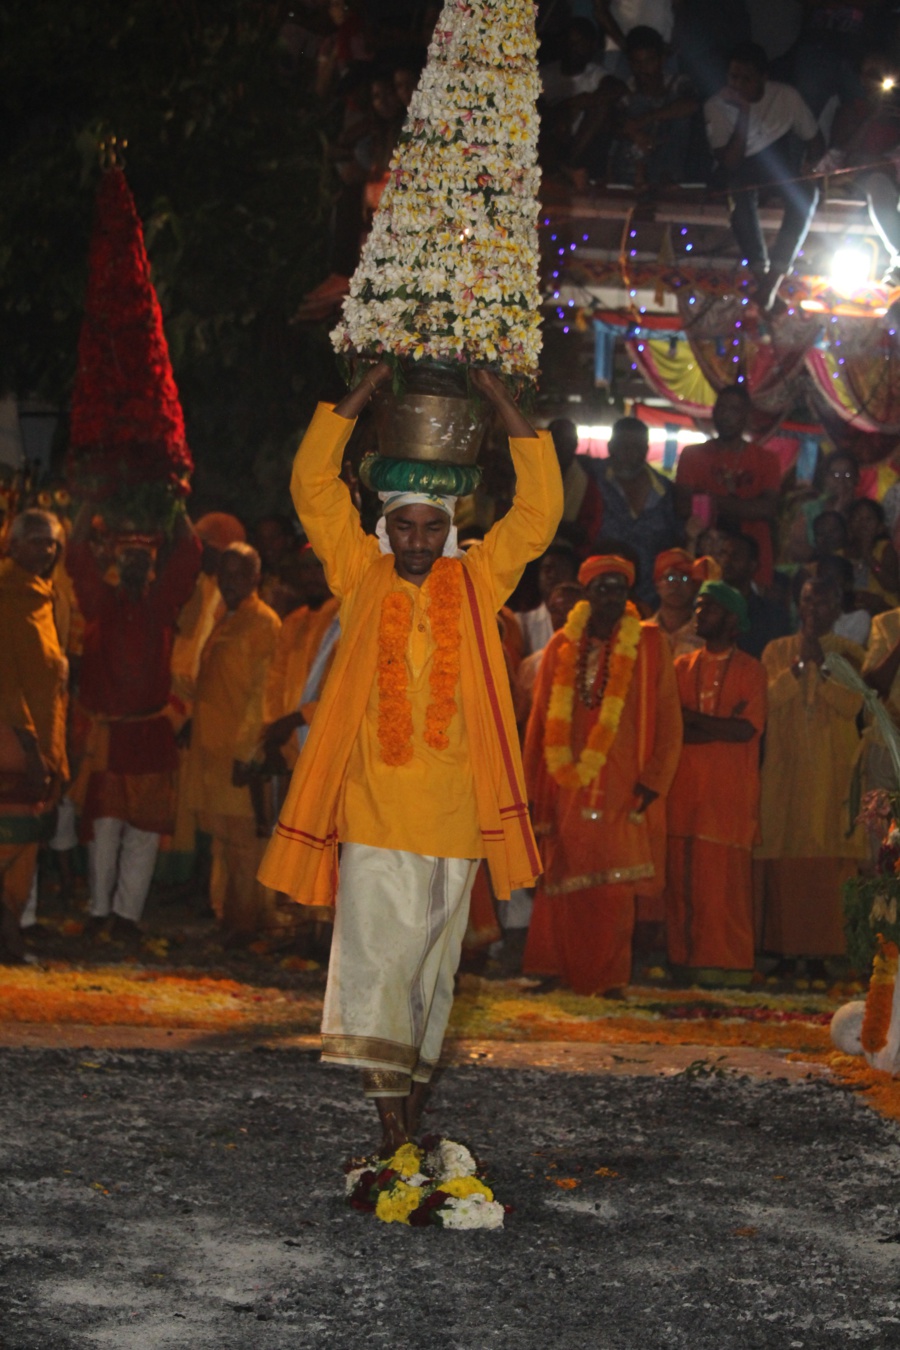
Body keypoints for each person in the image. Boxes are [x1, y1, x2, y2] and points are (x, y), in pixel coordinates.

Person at [258, 362, 563, 1153]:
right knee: (376, 964)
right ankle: (389, 1125)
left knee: (433, 976)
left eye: (431, 528)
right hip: (374, 813)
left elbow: (538, 514)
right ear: (384, 527)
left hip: (456, 818)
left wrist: (503, 406)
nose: (418, 543)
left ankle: (407, 1118)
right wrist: (361, 395)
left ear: (451, 528)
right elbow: (312, 486)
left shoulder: (478, 579)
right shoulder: (359, 574)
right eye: (405, 528)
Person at [522, 553, 682, 995]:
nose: (610, 597)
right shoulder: (560, 646)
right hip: (564, 784)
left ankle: (608, 978)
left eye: (619, 588)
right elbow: (539, 723)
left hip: (623, 783)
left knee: (613, 886)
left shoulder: (649, 644)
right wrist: (531, 785)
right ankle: (554, 969)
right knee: (561, 875)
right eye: (601, 588)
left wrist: (653, 782)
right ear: (586, 594)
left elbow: (669, 720)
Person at [67, 507, 201, 940]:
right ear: (117, 566)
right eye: (129, 560)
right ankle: (100, 910)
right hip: (109, 737)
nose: (136, 566)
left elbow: (188, 555)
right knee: (104, 828)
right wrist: (91, 505)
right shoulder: (100, 603)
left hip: (150, 735)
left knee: (144, 831)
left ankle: (127, 917)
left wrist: (175, 505)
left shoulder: (163, 605)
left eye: (144, 562)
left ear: (152, 570)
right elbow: (76, 555)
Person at [756, 576, 867, 982]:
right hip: (786, 770)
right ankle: (784, 951)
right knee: (786, 852)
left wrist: (820, 671)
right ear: (798, 605)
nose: (814, 609)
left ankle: (825, 952)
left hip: (831, 770)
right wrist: (797, 669)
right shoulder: (776, 651)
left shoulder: (852, 654)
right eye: (807, 601)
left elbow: (852, 703)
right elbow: (764, 703)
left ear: (839, 608)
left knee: (828, 852)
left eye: (824, 602)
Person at [666, 582, 767, 983]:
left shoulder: (751, 669)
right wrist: (712, 725)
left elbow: (745, 730)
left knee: (723, 888)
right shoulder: (680, 667)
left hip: (728, 798)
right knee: (682, 884)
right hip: (684, 795)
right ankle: (684, 962)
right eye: (698, 607)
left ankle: (731, 966)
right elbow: (673, 727)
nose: (697, 614)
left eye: (707, 608)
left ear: (731, 619)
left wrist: (694, 720)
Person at [184, 543, 281, 945]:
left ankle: (249, 922)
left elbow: (263, 695)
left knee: (245, 842)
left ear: (256, 578)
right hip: (211, 750)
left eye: (240, 575)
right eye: (225, 575)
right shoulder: (228, 618)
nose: (230, 582)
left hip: (238, 753)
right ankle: (227, 917)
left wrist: (249, 753)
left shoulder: (263, 623)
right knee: (223, 840)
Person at [705, 42, 822, 311]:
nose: (737, 84)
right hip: (738, 172)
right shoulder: (715, 105)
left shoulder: (786, 96)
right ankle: (765, 281)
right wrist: (743, 111)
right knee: (738, 193)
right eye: (733, 77)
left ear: (763, 78)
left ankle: (773, 278)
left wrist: (811, 165)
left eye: (745, 78)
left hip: (779, 171)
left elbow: (816, 141)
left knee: (807, 193)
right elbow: (731, 162)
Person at [0, 510, 69, 962]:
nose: (44, 550)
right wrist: (28, 743)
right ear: (13, 543)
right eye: (36, 541)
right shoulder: (6, 594)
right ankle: (10, 939)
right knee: (10, 841)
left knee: (25, 847)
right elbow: (6, 677)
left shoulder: (43, 596)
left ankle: (11, 938)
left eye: (51, 543)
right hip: (13, 740)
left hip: (42, 739)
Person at [676, 385, 782, 587]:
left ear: (746, 417)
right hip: (705, 560)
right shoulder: (692, 455)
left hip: (752, 565)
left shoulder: (766, 459)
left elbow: (767, 509)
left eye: (734, 410)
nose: (726, 415)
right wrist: (746, 506)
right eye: (721, 408)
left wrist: (708, 501)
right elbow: (682, 506)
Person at [588, 416, 681, 608]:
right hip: (599, 596)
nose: (629, 453)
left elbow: (675, 542)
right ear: (610, 447)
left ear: (646, 450)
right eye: (623, 446)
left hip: (651, 600)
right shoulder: (591, 478)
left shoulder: (665, 490)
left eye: (636, 446)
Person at [263, 547, 340, 774]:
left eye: (319, 567)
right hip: (288, 749)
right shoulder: (293, 622)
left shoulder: (345, 619)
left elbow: (343, 689)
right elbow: (274, 683)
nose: (312, 576)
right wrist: (273, 735)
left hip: (327, 749)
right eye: (306, 568)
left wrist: (298, 719)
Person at [607, 26, 698, 187]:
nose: (643, 69)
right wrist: (634, 134)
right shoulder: (626, 89)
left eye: (649, 61)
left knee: (680, 115)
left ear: (662, 59)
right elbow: (615, 124)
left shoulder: (678, 83)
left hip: (667, 166)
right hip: (633, 167)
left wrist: (647, 118)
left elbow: (691, 105)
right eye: (637, 63)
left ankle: (667, 177)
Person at [717, 528, 792, 659]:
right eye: (723, 554)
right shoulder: (705, 608)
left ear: (752, 565)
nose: (726, 561)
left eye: (735, 556)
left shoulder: (772, 616)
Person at [547, 418, 604, 558]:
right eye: (556, 441)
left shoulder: (586, 484)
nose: (561, 447)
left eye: (567, 442)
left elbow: (586, 533)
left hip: (568, 559)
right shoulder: (528, 474)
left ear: (575, 445)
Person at [517, 542, 580, 655]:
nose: (552, 575)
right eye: (547, 570)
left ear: (574, 576)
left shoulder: (590, 622)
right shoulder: (522, 623)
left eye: (561, 569)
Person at [649, 546, 706, 655]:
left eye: (684, 578)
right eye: (670, 577)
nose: (676, 584)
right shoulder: (640, 633)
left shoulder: (706, 635)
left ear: (695, 586)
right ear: (657, 585)